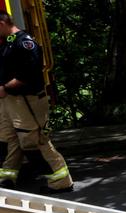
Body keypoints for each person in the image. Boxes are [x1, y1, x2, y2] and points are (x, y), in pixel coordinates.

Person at [0, 11, 72, 192]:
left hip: (27, 100)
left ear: (2, 24)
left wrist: (5, 88)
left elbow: (29, 74)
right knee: (10, 138)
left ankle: (61, 180)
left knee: (35, 139)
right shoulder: (9, 42)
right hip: (12, 100)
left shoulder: (24, 43)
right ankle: (7, 178)